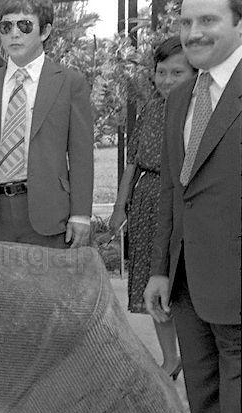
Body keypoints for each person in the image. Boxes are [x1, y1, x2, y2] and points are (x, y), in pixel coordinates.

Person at [143, 0, 241, 413]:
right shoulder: (182, 96)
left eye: (208, 21)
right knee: (203, 402)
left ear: (238, 23)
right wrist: (160, 268)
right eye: (185, 23)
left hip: (237, 280)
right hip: (186, 281)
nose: (194, 33)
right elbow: (171, 194)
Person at [0, 0, 94, 249]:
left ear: (45, 31)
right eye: (6, 26)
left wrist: (81, 214)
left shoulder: (70, 83)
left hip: (49, 213)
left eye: (25, 25)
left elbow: (81, 156)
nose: (14, 34)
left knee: (47, 288)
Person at [109, 36, 196, 380]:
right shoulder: (149, 110)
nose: (168, 80)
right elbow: (132, 162)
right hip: (147, 202)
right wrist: (120, 207)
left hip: (181, 201)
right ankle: (170, 358)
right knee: (152, 282)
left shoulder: (201, 110)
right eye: (161, 72)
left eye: (178, 72)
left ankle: (195, 359)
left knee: (183, 284)